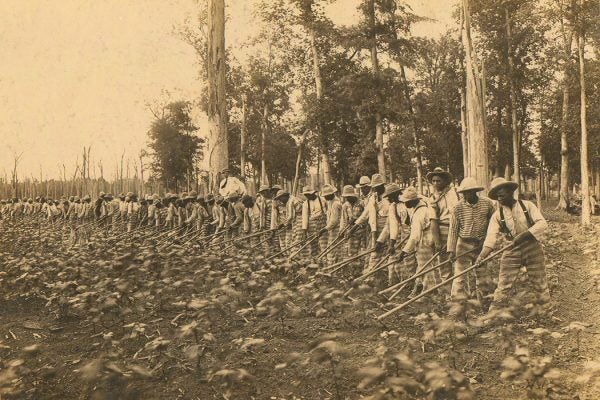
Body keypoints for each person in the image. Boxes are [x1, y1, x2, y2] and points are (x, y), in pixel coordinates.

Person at [476, 177, 550, 311]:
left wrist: (524, 235)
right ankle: (495, 314)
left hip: (532, 247)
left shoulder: (527, 206)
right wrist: (482, 256)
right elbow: (490, 238)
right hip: (511, 249)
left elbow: (542, 224)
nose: (500, 200)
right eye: (497, 197)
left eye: (502, 196)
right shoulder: (497, 215)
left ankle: (545, 311)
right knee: (504, 284)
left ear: (511, 192)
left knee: (539, 281)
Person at [446, 177, 496, 313]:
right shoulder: (457, 208)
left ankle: (484, 304)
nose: (467, 195)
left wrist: (486, 241)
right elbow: (453, 230)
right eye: (465, 192)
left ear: (476, 192)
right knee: (460, 276)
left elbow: (493, 224)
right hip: (463, 243)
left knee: (483, 275)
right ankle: (458, 305)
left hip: (481, 244)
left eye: (470, 192)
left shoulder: (488, 204)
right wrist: (451, 250)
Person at [396, 187, 435, 298]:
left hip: (426, 240)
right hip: (424, 237)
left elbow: (414, 237)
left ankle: (427, 293)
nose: (405, 205)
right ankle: (419, 287)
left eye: (406, 202)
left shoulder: (419, 212)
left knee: (424, 266)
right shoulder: (418, 206)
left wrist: (403, 252)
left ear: (413, 200)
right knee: (421, 265)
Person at [349, 173, 388, 272]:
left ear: (383, 185)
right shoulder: (373, 198)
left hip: (388, 228)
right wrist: (354, 228)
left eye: (378, 187)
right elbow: (365, 214)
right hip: (374, 228)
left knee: (387, 254)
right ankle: (370, 274)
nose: (376, 189)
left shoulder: (388, 197)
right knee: (373, 253)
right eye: (375, 187)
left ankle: (383, 275)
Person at [427, 167, 460, 280]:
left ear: (445, 181)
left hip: (459, 229)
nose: (435, 183)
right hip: (444, 230)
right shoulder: (433, 199)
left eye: (438, 181)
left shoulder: (456, 192)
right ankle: (446, 289)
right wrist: (437, 241)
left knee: (459, 260)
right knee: (444, 262)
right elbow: (433, 220)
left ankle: (460, 289)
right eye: (433, 181)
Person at [300, 185, 327, 259]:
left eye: (308, 194)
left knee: (323, 243)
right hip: (311, 224)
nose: (307, 196)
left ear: (313, 193)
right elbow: (305, 217)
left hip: (322, 223)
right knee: (313, 244)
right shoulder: (305, 203)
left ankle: (324, 259)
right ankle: (314, 260)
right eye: (306, 195)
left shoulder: (323, 200)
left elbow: (327, 212)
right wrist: (304, 231)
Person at [339, 185, 365, 259]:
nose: (348, 198)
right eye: (346, 197)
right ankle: (354, 265)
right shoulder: (345, 206)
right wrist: (342, 230)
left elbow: (364, 218)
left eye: (349, 196)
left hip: (361, 229)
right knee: (351, 251)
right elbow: (343, 219)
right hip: (350, 231)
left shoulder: (361, 203)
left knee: (362, 250)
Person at [320, 184, 342, 266]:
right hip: (332, 229)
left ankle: (332, 267)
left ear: (331, 194)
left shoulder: (335, 204)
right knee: (333, 249)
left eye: (326, 196)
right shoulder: (330, 202)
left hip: (336, 229)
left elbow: (334, 221)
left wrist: (324, 229)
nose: (325, 197)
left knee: (332, 250)